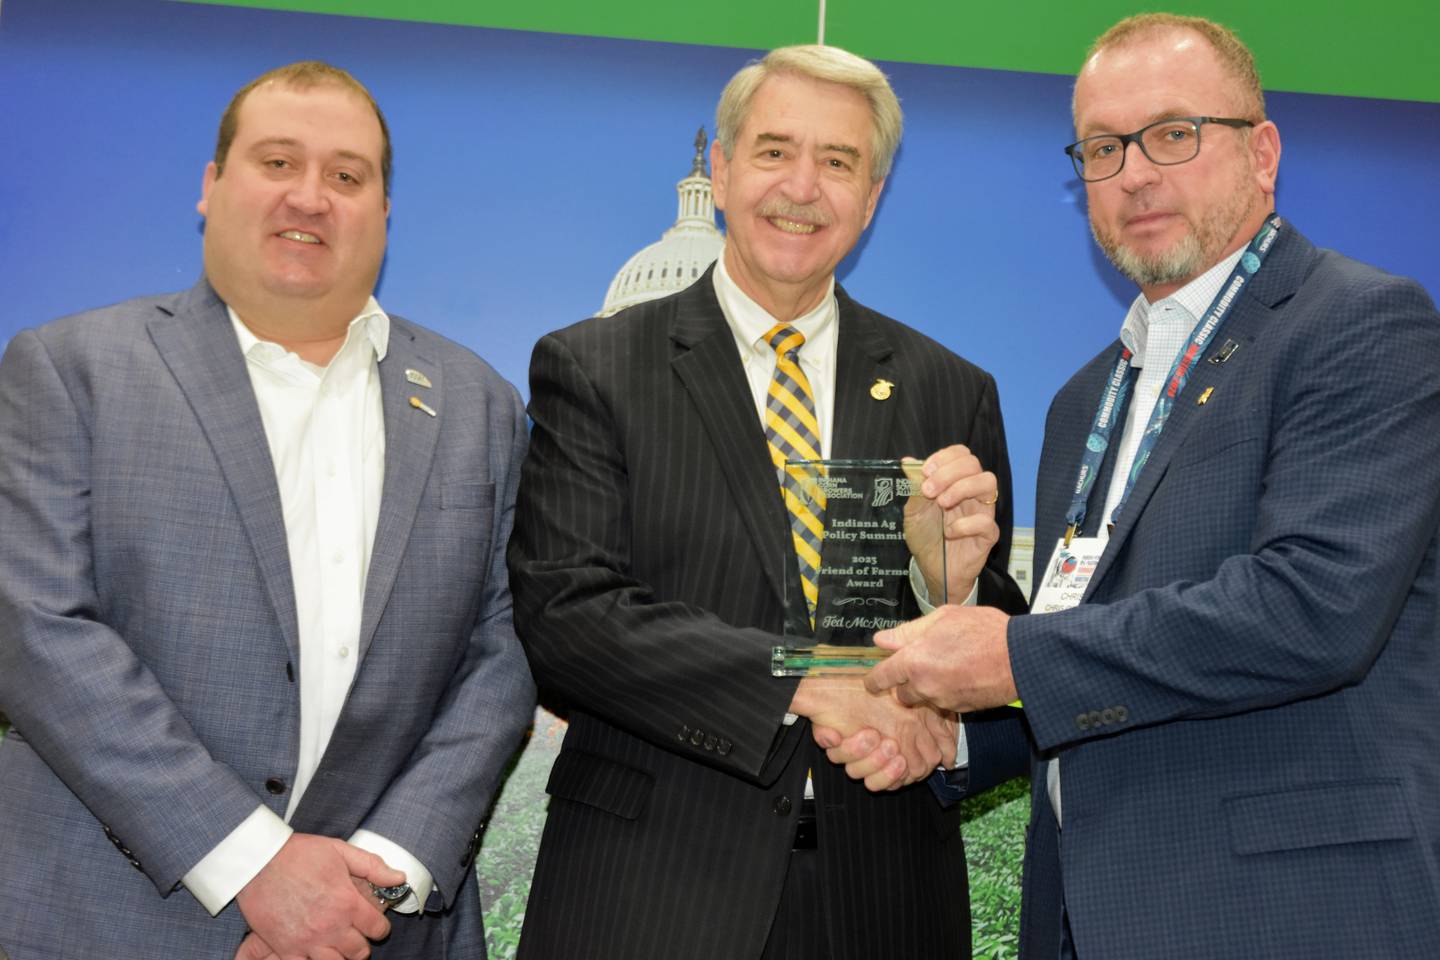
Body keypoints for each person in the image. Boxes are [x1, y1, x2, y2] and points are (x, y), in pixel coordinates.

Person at [862, 14, 1440, 958]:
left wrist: (1010, 660)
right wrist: (954, 732)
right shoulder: (1081, 400)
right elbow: (1095, 659)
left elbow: (1315, 609)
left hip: (1288, 914)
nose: (1134, 172)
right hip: (1088, 917)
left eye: (1173, 134)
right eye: (1101, 147)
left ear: (1263, 153)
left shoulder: (1361, 323)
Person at [0, 61, 534, 958]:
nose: (311, 197)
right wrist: (254, 866)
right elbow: (36, 628)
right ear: (212, 188)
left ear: (384, 210)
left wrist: (372, 877)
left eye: (347, 175)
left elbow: (505, 648)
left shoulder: (478, 401)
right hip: (104, 920)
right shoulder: (72, 369)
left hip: (375, 924)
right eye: (278, 162)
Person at [507, 44, 1027, 960]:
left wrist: (954, 586)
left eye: (839, 163)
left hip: (886, 899)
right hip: (648, 895)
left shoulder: (951, 389)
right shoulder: (594, 367)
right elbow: (566, 620)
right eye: (775, 150)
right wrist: (806, 680)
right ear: (721, 169)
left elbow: (1004, 655)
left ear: (872, 197)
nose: (803, 186)